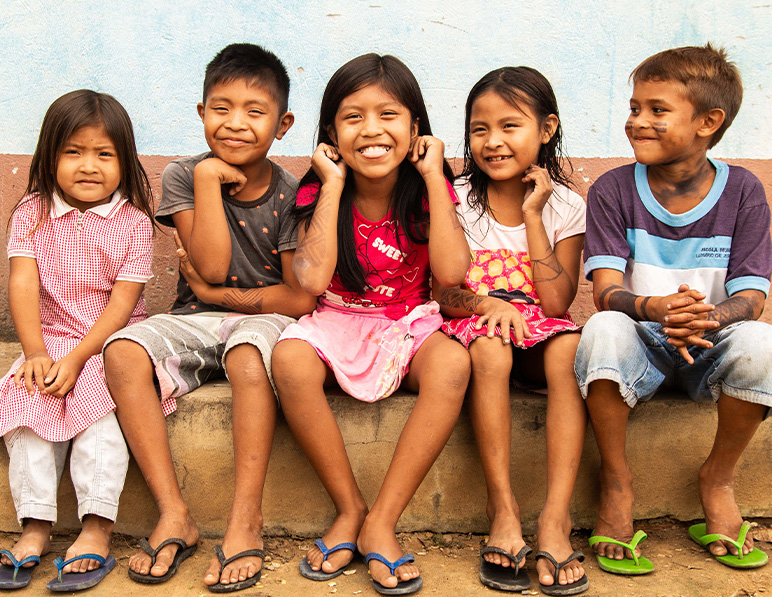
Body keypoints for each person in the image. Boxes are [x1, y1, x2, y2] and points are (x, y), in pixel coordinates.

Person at [576, 44, 772, 576]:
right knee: (602, 327)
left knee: (765, 344)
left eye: (656, 110)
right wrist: (655, 308)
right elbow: (605, 289)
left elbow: (752, 297)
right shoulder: (612, 189)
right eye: (634, 108)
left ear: (708, 122)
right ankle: (617, 481)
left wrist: (711, 318)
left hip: (708, 340)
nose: (637, 122)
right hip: (640, 343)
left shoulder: (742, 191)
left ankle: (717, 478)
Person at [102, 43, 313, 592]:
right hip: (194, 317)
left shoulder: (293, 194)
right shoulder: (182, 175)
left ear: (283, 124)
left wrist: (235, 298)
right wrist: (206, 181)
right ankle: (175, 513)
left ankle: (246, 519)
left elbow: (295, 300)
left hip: (262, 322)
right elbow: (212, 265)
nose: (235, 124)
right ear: (201, 113)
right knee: (122, 350)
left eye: (254, 111)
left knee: (247, 356)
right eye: (220, 108)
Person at [270, 54, 471, 596]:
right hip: (336, 318)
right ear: (331, 134)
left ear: (416, 129)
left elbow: (452, 275)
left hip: (407, 321)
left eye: (389, 115)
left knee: (453, 363)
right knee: (289, 359)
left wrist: (432, 175)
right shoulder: (317, 190)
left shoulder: (432, 189)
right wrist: (332, 182)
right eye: (352, 117)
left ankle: (381, 519)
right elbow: (310, 282)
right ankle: (349, 507)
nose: (372, 130)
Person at [0, 89, 155, 591]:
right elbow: (23, 283)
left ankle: (97, 528)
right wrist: (35, 352)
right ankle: (35, 525)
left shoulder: (134, 224)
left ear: (125, 160)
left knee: (99, 416)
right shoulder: (31, 214)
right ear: (49, 155)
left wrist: (80, 357)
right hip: (50, 339)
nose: (88, 166)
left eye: (104, 153)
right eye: (73, 152)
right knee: (30, 405)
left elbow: (122, 305)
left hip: (110, 343)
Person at [435, 66, 589, 595]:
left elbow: (555, 302)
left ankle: (555, 518)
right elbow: (441, 291)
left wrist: (533, 215)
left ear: (546, 129)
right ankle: (502, 509)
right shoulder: (455, 197)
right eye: (480, 129)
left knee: (570, 345)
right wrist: (486, 304)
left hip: (541, 329)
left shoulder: (565, 205)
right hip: (477, 323)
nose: (493, 142)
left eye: (510, 126)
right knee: (492, 349)